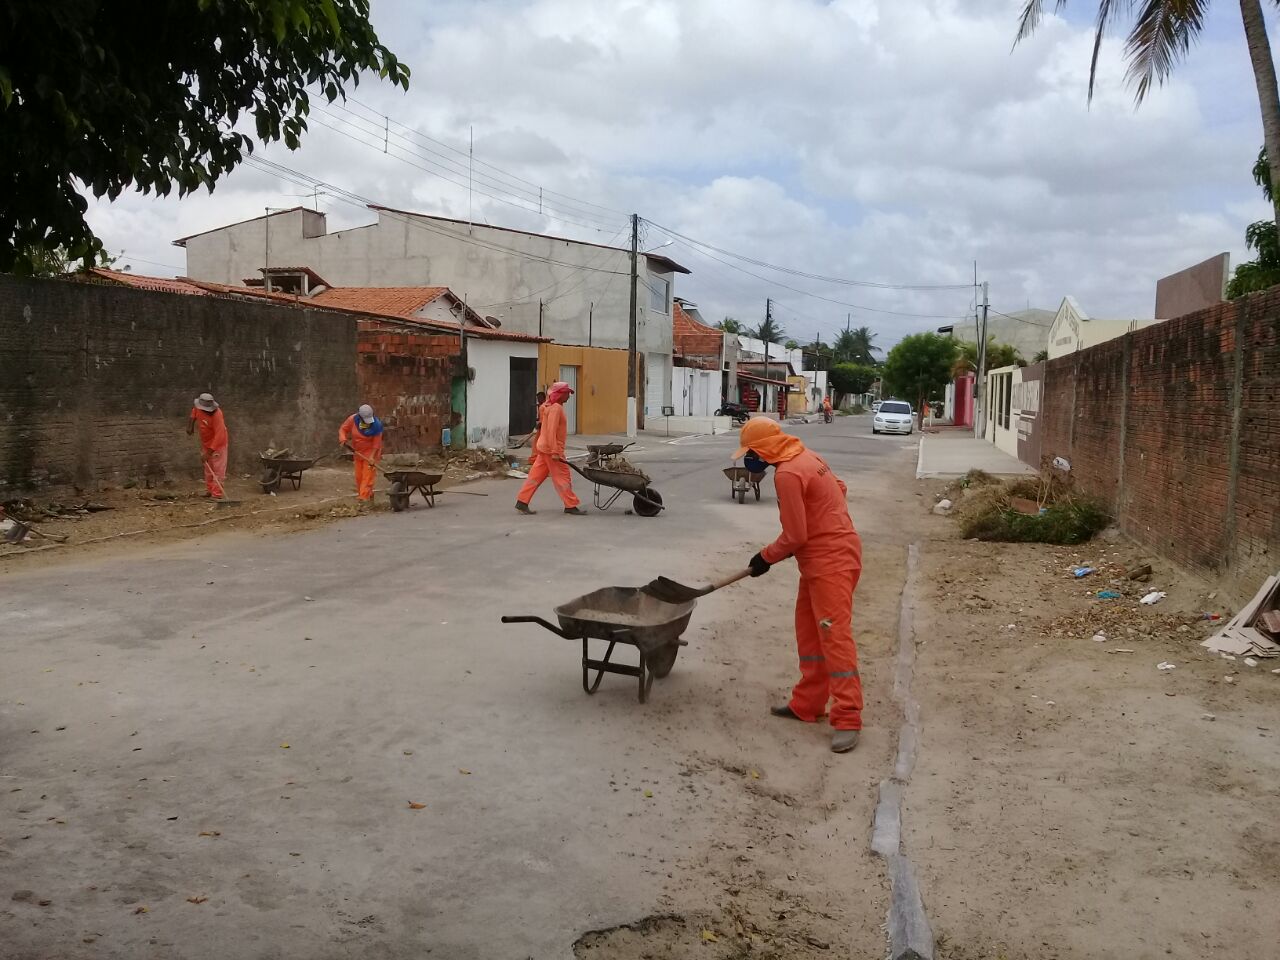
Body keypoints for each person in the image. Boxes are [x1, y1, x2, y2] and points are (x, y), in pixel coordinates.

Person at [734, 416, 864, 753]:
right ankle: (806, 704)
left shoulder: (789, 474)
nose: (749, 458)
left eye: (750, 452)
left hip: (831, 564)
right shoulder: (807, 456)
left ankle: (848, 717)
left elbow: (795, 535)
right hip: (824, 558)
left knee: (834, 637)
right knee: (808, 632)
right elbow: (841, 488)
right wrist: (816, 529)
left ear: (762, 450)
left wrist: (765, 557)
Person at [516, 381, 586, 516]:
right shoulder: (556, 409)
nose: (569, 396)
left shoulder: (549, 407)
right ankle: (570, 505)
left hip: (544, 449)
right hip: (551, 450)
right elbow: (551, 431)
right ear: (560, 394)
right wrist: (555, 451)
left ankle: (522, 501)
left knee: (535, 476)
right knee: (563, 477)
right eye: (567, 393)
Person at [339, 404, 384, 502]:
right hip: (358, 452)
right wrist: (343, 439)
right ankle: (367, 494)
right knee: (359, 476)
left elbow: (377, 443)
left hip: (371, 452)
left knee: (367, 476)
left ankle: (363, 498)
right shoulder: (352, 420)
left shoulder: (377, 425)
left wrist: (372, 457)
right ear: (360, 417)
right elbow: (343, 429)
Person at [187, 393, 228, 499]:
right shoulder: (198, 408)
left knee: (218, 470)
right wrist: (190, 425)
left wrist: (208, 453)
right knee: (208, 469)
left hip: (218, 445)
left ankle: (217, 494)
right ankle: (210, 490)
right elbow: (193, 413)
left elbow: (220, 435)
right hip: (206, 442)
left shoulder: (217, 415)